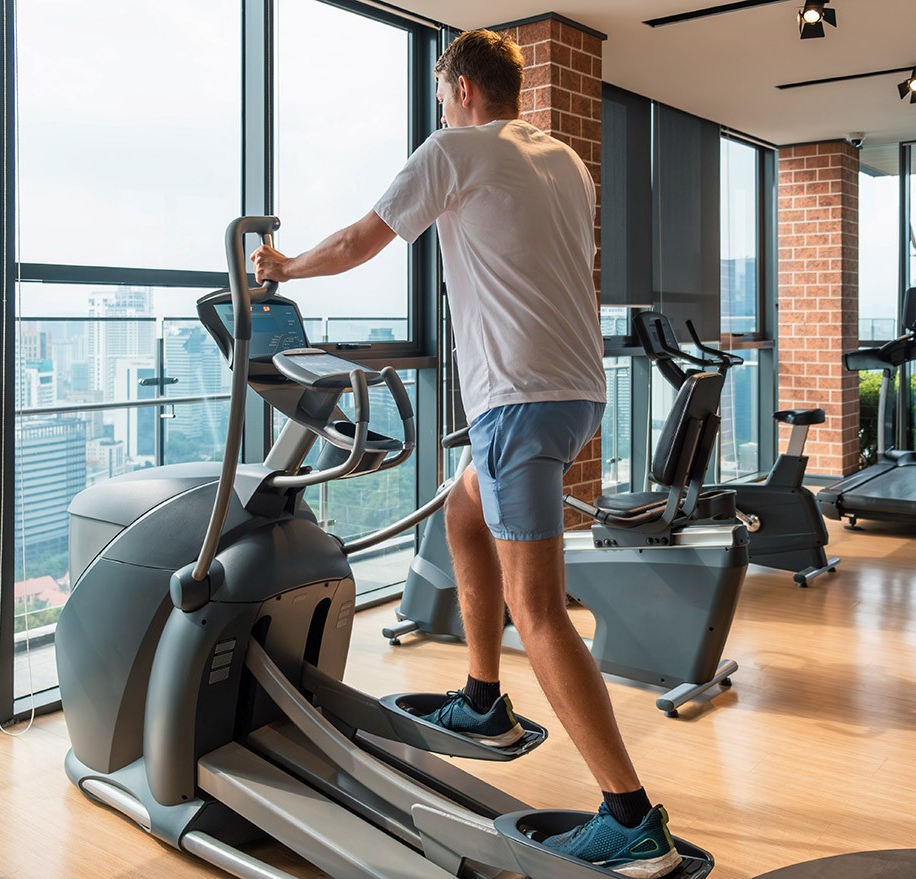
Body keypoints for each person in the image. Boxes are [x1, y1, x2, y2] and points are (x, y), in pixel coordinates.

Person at [251, 29, 679, 879]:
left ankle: (632, 818)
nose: (439, 101)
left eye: (441, 88)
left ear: (459, 87)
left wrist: (283, 267)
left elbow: (363, 241)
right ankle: (483, 700)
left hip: (517, 398)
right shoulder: (561, 156)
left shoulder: (454, 146)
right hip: (575, 391)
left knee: (539, 607)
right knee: (460, 507)